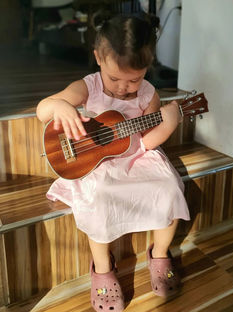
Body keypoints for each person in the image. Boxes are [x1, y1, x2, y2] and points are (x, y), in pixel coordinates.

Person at [36, 14, 190, 312]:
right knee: (100, 197)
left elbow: (146, 139)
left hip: (138, 154)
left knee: (171, 187)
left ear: (148, 67)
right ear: (98, 59)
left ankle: (159, 254)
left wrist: (168, 124)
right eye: (115, 78)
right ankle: (104, 268)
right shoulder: (89, 86)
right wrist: (60, 106)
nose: (123, 88)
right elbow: (43, 109)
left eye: (134, 78)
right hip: (99, 162)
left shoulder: (148, 93)